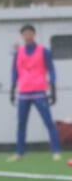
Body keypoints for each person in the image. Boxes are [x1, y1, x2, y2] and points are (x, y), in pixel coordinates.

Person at [8, 23, 60, 161]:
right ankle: (19, 152)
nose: (28, 36)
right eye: (25, 34)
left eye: (30, 33)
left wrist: (53, 87)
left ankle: (55, 150)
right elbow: (14, 71)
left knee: (48, 122)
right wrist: (12, 89)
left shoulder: (44, 51)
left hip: (39, 91)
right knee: (21, 123)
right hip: (24, 92)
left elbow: (51, 69)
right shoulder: (18, 52)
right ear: (22, 36)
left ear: (34, 34)